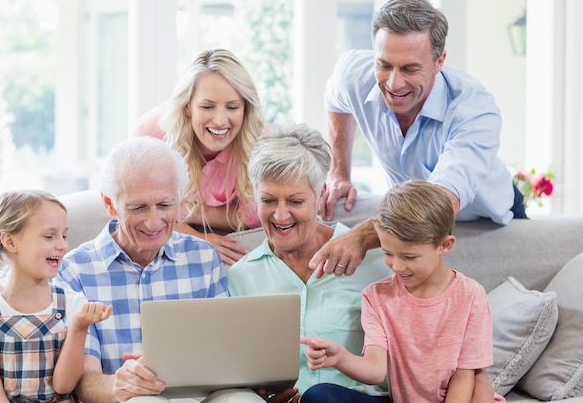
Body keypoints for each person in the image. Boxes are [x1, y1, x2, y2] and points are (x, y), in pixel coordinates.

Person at [311, 0, 527, 276]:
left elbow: (439, 203)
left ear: (439, 61)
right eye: (384, 65)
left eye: (410, 69)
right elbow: (336, 99)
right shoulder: (354, 74)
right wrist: (339, 173)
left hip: (483, 216)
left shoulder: (474, 110)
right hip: (408, 221)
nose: (393, 83)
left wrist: (362, 236)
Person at [54, 136, 259, 403]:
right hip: (129, 399)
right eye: (138, 207)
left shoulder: (203, 257)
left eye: (164, 205)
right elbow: (84, 381)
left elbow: (226, 350)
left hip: (200, 395)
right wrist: (117, 385)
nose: (153, 222)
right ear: (109, 204)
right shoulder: (75, 270)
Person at [227, 123, 393, 403]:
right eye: (268, 200)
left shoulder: (375, 262)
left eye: (295, 201)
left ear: (320, 196)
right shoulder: (240, 277)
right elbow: (236, 367)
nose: (280, 216)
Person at [301, 180, 505, 403]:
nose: (397, 266)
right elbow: (376, 370)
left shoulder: (471, 296)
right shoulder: (376, 297)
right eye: (388, 253)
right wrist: (340, 358)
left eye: (409, 257)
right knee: (318, 396)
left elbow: (465, 377)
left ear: (445, 245)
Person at [0, 190, 112, 403]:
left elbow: (64, 386)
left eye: (64, 235)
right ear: (10, 242)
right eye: (49, 236)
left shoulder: (73, 303)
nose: (62, 245)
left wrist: (79, 327)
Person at [135, 49, 267, 265]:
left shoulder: (257, 140)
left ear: (245, 108)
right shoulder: (151, 134)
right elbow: (134, 209)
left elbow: (256, 214)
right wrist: (196, 237)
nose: (220, 120)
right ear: (187, 106)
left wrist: (188, 211)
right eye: (207, 106)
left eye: (232, 107)